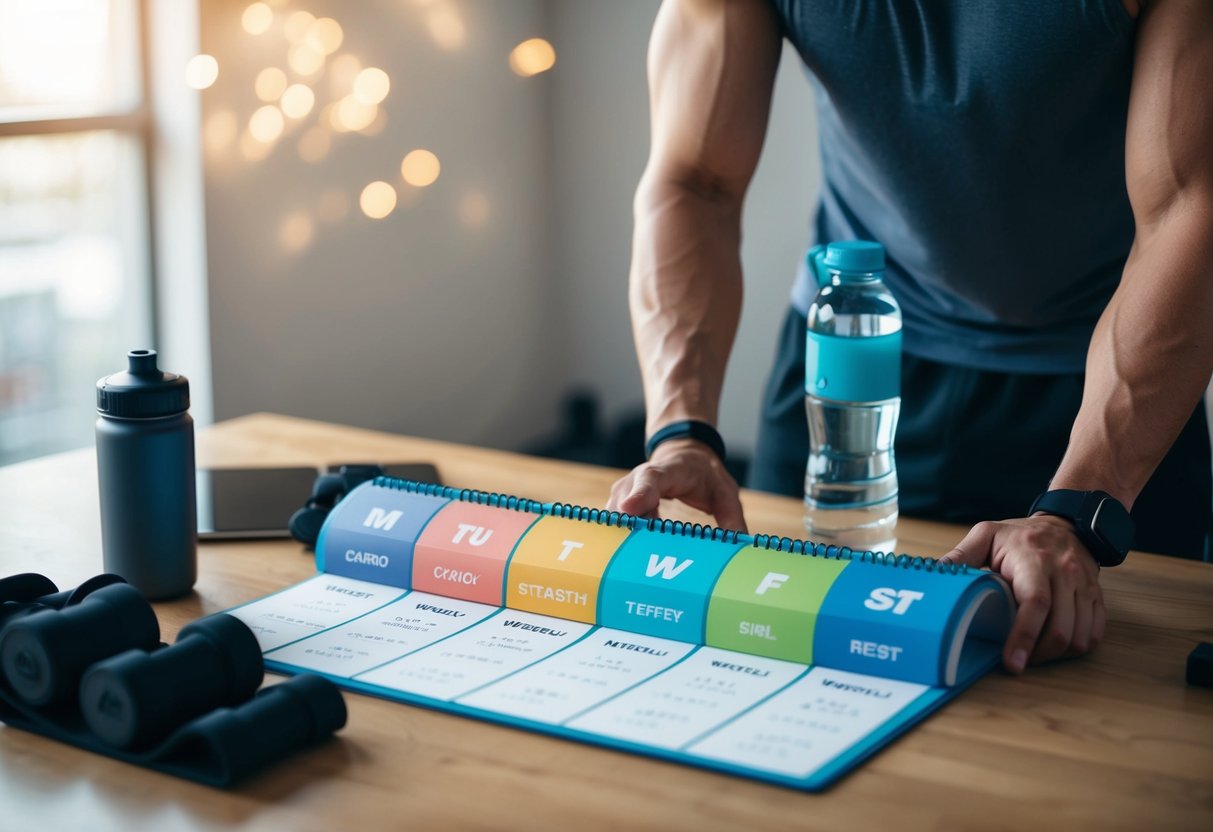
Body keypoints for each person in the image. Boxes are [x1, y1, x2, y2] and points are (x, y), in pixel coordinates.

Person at [606, 0, 1213, 675]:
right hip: (848, 380)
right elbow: (696, 180)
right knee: (767, 667)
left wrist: (1078, 507)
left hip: (1102, 396)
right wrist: (680, 432)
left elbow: (1188, 210)